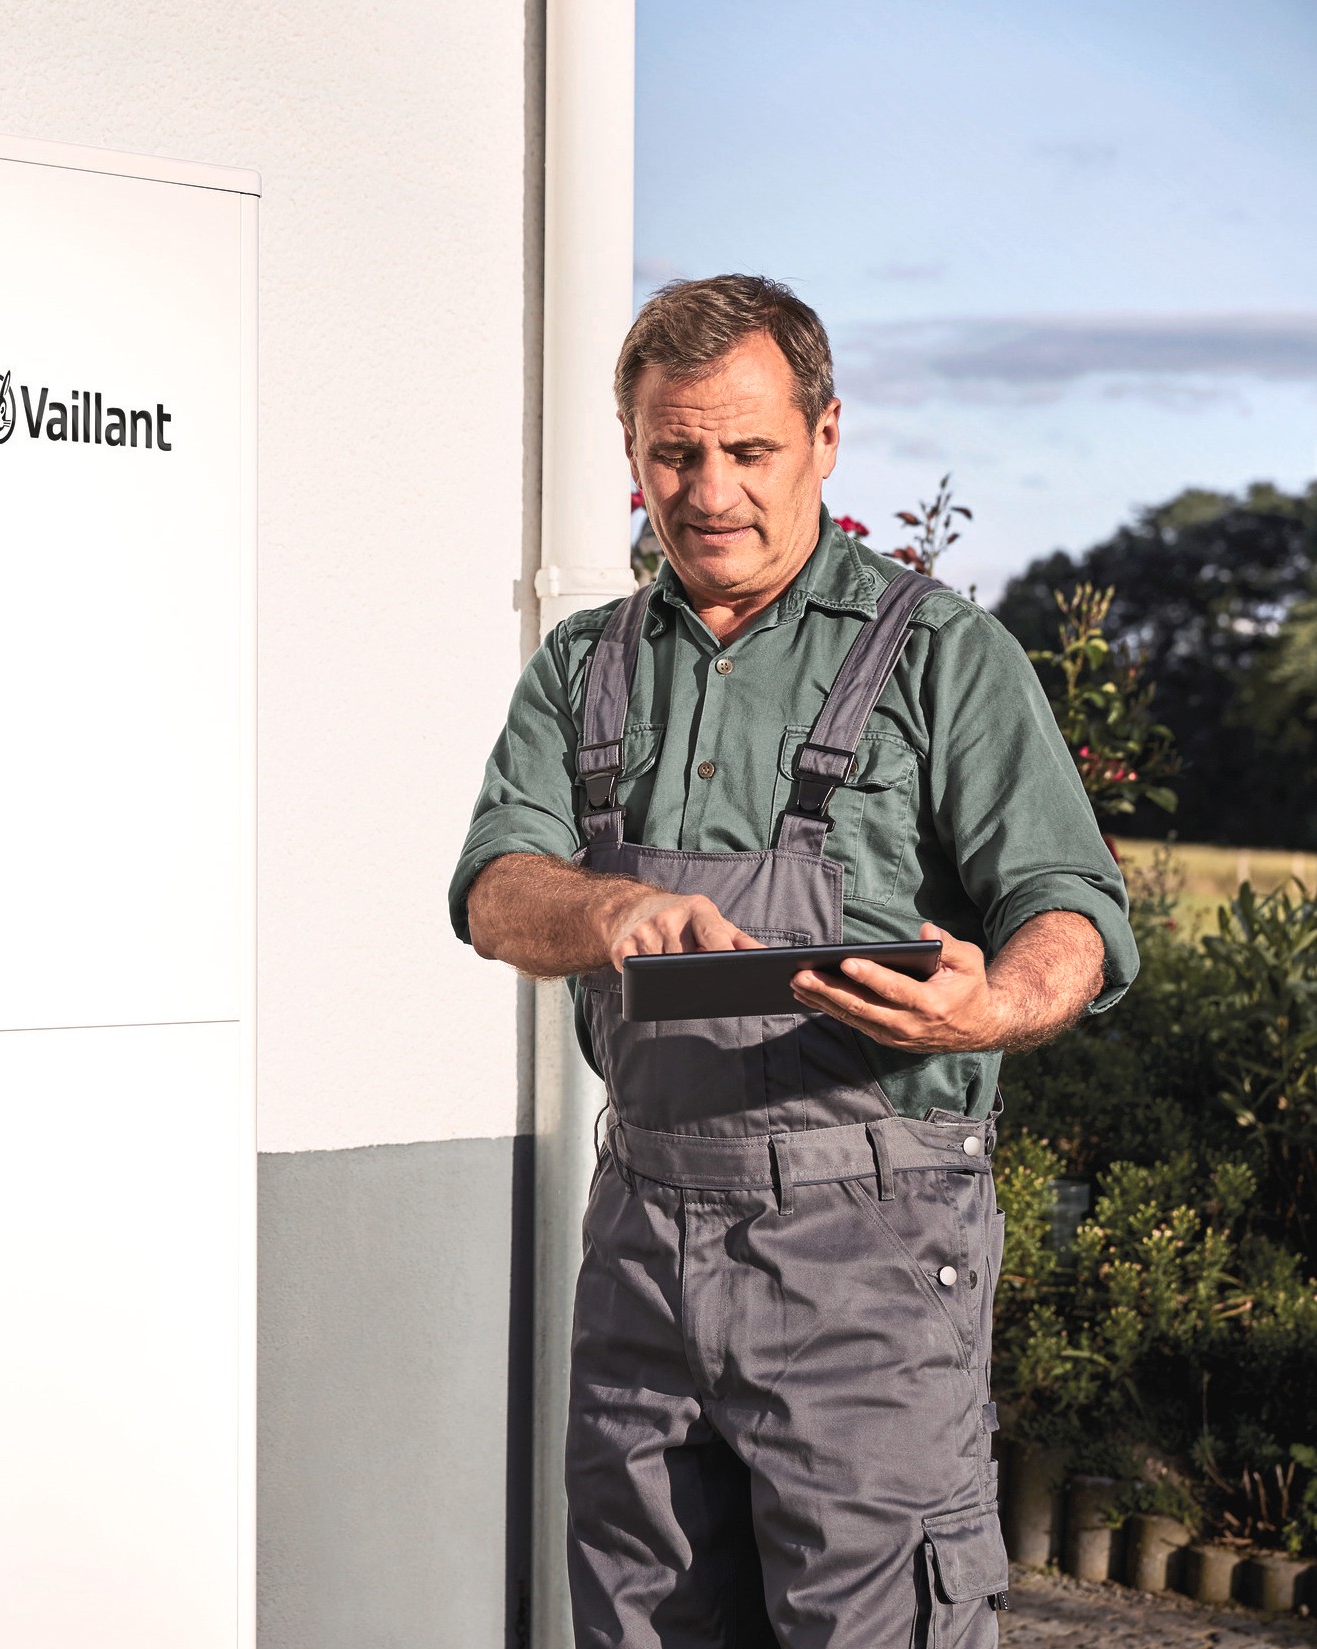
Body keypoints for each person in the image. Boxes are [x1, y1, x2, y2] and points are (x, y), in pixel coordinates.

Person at [449, 275, 1135, 1649]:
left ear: (826, 436)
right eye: (672, 453)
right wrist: (605, 913)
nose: (708, 490)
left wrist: (993, 1000)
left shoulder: (945, 659)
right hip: (644, 1230)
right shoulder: (582, 669)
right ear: (633, 453)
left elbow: (1075, 910)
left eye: (749, 450)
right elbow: (494, 890)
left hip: (871, 1258)